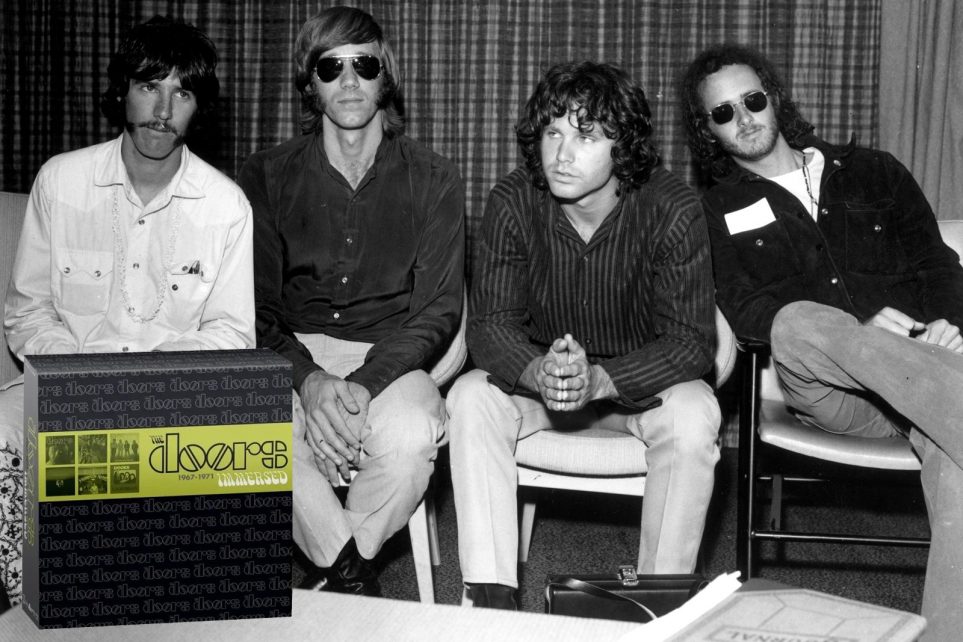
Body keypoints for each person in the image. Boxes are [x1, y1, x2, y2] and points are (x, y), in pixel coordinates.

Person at [681, 43, 963, 641]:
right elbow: (745, 310)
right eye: (724, 112)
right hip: (834, 394)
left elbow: (937, 264)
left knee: (955, 461)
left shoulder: (876, 171)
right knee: (795, 321)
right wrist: (858, 333)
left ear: (775, 97)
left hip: (931, 388)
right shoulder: (715, 210)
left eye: (752, 100)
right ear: (709, 131)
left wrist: (947, 322)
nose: (744, 118)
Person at [0, 16, 255, 607]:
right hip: (64, 377)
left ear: (198, 107)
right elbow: (28, 312)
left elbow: (232, 332)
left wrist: (143, 378)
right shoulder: (61, 181)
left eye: (182, 93)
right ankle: (23, 600)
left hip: (168, 392)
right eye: (149, 86)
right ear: (123, 91)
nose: (163, 111)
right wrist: (80, 376)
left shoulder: (226, 206)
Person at [447, 61, 720, 610]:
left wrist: (601, 379)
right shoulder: (512, 200)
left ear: (624, 147)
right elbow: (490, 326)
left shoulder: (673, 207)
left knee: (694, 414)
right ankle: (491, 603)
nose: (562, 155)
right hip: (542, 392)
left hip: (635, 395)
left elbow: (691, 342)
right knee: (470, 395)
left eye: (586, 136)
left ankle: (659, 605)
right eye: (553, 133)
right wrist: (538, 371)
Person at [236, 6, 464, 597]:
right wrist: (309, 382)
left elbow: (439, 309)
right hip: (289, 353)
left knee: (412, 435)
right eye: (329, 67)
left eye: (364, 64)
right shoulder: (266, 174)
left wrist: (361, 384)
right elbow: (253, 308)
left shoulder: (435, 177)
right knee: (244, 432)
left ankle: (337, 572)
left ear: (386, 74)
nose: (349, 81)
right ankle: (352, 577)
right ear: (309, 83)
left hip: (389, 357)